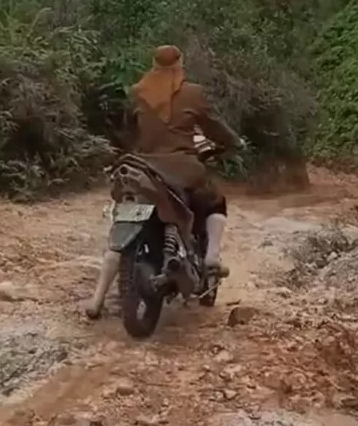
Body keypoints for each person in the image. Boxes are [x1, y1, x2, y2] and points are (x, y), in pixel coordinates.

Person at [85, 45, 243, 319]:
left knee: (119, 226)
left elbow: (128, 133)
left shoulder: (136, 93)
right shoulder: (193, 93)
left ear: (154, 65)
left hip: (142, 168)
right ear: (180, 64)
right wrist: (235, 142)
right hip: (181, 169)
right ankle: (212, 257)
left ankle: (97, 299)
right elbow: (214, 127)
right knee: (214, 202)